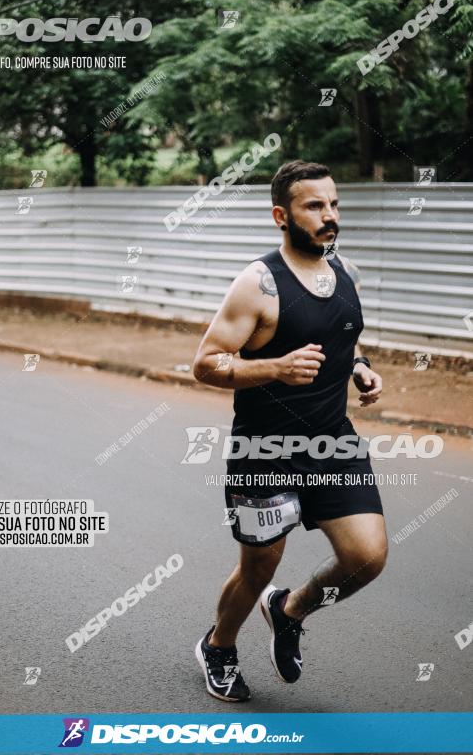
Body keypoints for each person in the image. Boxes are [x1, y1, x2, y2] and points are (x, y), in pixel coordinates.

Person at [192, 160, 387, 702]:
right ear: (282, 215)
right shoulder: (257, 284)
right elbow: (206, 364)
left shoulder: (346, 271)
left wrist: (359, 367)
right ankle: (219, 644)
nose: (330, 217)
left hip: (332, 442)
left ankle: (289, 609)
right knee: (258, 565)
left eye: (334, 205)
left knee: (366, 558)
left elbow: (339, 337)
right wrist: (274, 367)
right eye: (314, 206)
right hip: (265, 449)